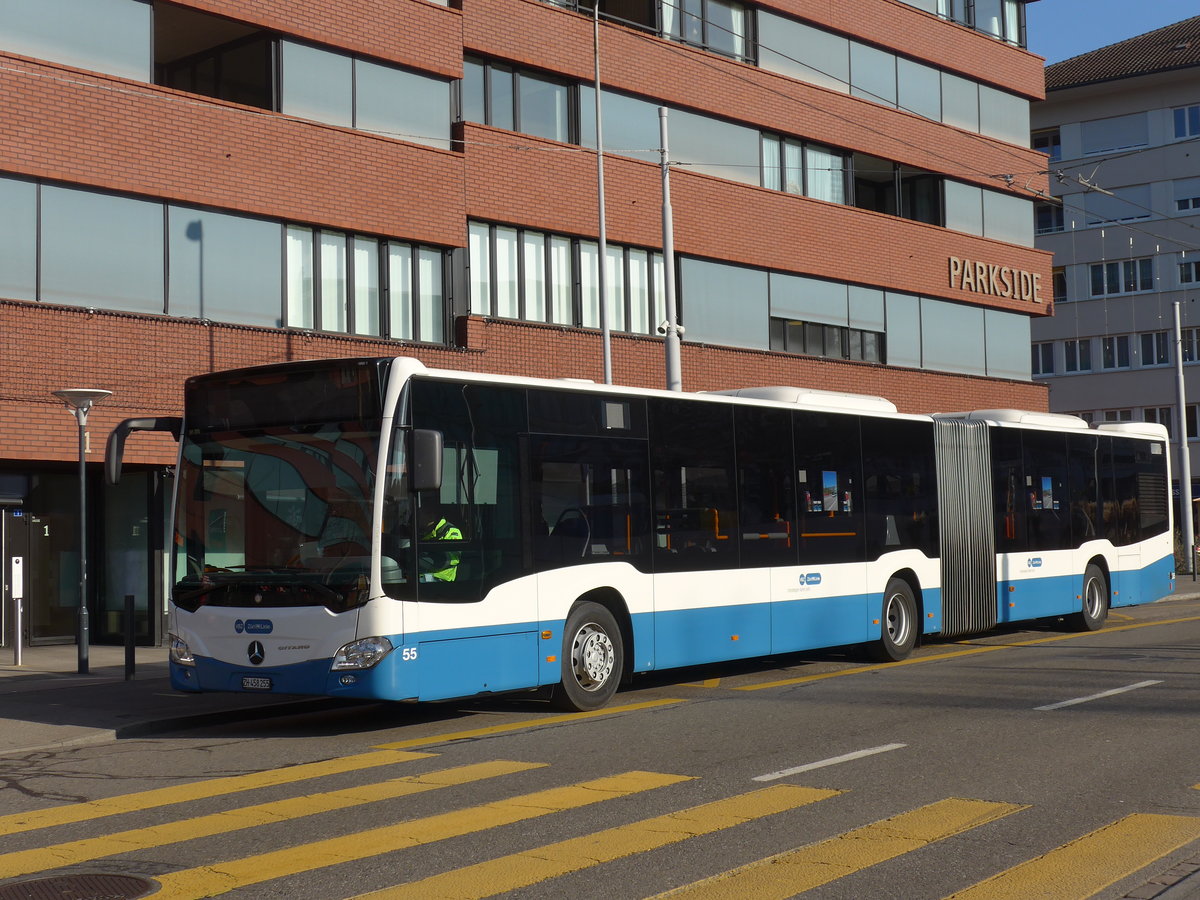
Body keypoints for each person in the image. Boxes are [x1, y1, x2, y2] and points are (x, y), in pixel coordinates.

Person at [418, 506, 462, 582]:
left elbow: (452, 559)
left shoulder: (451, 531)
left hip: (440, 580)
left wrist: (428, 556)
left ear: (431, 516)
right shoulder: (426, 532)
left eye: (420, 515)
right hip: (422, 576)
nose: (418, 519)